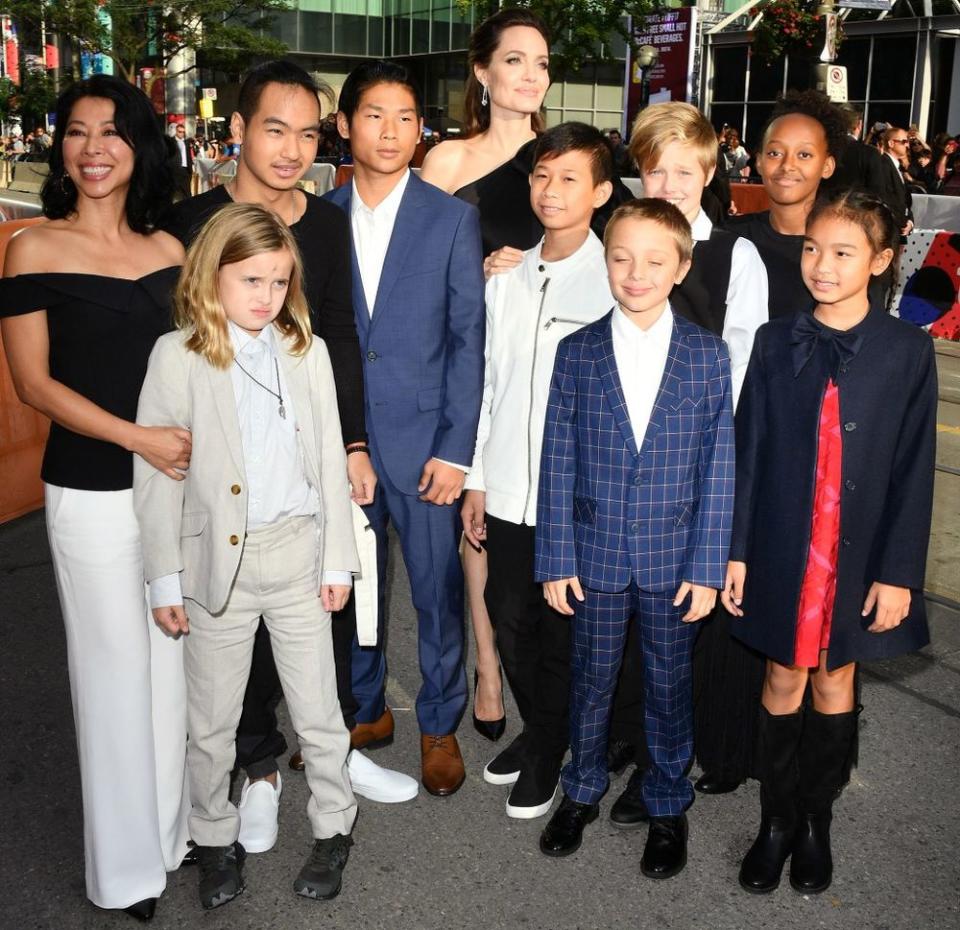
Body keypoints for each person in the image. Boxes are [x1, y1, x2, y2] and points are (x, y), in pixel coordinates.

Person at [162, 60, 415, 854]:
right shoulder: (190, 222)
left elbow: (338, 335)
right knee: (234, 630)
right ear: (236, 130)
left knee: (325, 609)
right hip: (220, 472)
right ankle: (260, 770)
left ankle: (327, 748)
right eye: (275, 128)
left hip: (311, 454)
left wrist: (353, 443)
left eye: (308, 132)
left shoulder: (329, 221)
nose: (292, 148)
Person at [0, 74, 190, 923]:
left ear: (139, 143)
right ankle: (125, 873)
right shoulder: (33, 248)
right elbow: (35, 385)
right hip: (91, 490)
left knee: (170, 672)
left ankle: (170, 837)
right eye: (76, 132)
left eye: (111, 131)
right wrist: (141, 438)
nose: (93, 147)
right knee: (112, 677)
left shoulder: (171, 251)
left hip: (174, 497)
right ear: (61, 149)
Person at [135, 204, 359, 910]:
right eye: (250, 279)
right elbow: (159, 472)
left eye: (277, 281)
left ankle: (333, 827)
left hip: (296, 552)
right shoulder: (178, 355)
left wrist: (336, 561)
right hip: (214, 572)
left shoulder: (306, 350)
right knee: (213, 722)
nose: (265, 295)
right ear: (212, 275)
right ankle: (214, 837)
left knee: (319, 710)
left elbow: (328, 458)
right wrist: (164, 576)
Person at [726, 189, 937, 895]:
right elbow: (748, 452)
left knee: (835, 677)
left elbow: (912, 467)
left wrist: (899, 572)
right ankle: (775, 820)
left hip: (856, 553)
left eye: (843, 253)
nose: (821, 265)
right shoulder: (774, 338)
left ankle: (816, 820)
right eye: (813, 248)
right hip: (785, 546)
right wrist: (737, 550)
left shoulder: (907, 351)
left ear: (881, 261)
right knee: (782, 675)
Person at [535, 199, 735, 879]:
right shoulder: (577, 351)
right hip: (592, 556)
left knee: (670, 685)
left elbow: (719, 466)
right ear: (605, 262)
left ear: (681, 267)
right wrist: (555, 555)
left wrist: (708, 567)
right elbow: (556, 459)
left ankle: (668, 801)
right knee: (591, 681)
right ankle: (582, 787)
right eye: (621, 257)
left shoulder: (709, 358)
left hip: (676, 559)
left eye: (654, 260)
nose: (635, 272)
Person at [326, 61, 485, 796]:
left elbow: (466, 340)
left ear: (421, 128)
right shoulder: (318, 216)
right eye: (374, 115)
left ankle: (438, 723)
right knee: (353, 585)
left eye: (405, 116)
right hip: (344, 444)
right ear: (345, 124)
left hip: (427, 448)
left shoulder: (450, 217)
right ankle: (364, 709)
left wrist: (456, 451)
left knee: (436, 593)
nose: (391, 132)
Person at [602, 101, 766, 810]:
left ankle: (658, 762)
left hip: (691, 469)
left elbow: (742, 367)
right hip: (619, 464)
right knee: (622, 609)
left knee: (676, 621)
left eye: (682, 170)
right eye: (653, 169)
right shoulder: (621, 242)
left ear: (709, 172)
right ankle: (621, 732)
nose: (667, 183)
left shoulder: (734, 256)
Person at [461, 123, 614, 819]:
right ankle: (542, 731)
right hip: (506, 484)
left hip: (573, 497)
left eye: (570, 178)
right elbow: (492, 382)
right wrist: (475, 476)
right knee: (505, 614)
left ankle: (551, 747)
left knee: (560, 632)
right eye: (542, 176)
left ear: (602, 192)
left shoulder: (616, 277)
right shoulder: (508, 274)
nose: (551, 192)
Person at [421, 8, 551, 744]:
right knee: (478, 518)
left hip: (540, 363)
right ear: (482, 72)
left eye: (540, 63)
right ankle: (488, 663)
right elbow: (414, 274)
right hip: (468, 360)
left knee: (528, 517)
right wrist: (478, 272)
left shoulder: (564, 155)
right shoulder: (446, 164)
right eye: (514, 60)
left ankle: (540, 661)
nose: (530, 75)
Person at [730, 90, 846, 320]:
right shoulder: (730, 238)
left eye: (804, 154)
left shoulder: (846, 249)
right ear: (759, 161)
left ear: (827, 166)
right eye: (775, 153)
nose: (787, 165)